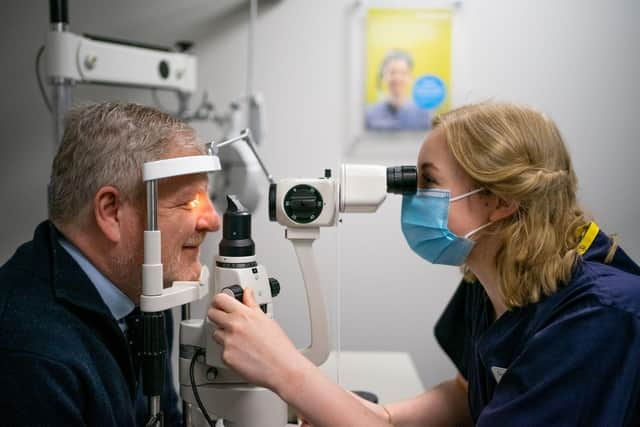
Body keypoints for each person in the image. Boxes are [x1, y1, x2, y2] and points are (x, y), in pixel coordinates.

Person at [208, 102, 640, 426]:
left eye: (428, 181)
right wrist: (381, 416)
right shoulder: (493, 272)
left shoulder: (598, 318)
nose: (412, 195)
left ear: (501, 201)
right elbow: (469, 395)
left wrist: (285, 370)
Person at [0, 103, 221, 425]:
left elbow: (164, 419)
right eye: (188, 202)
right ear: (111, 211)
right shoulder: (32, 356)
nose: (213, 221)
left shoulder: (143, 297)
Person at [365, 49, 431, 131]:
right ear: (383, 76)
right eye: (392, 72)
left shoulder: (423, 114)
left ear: (410, 77)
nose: (397, 78)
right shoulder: (369, 115)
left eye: (403, 73)